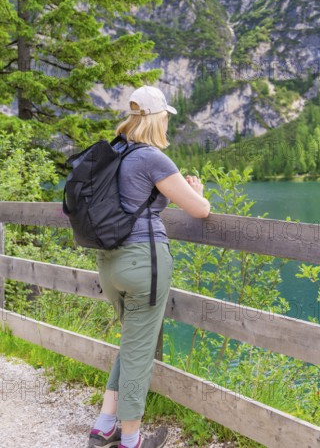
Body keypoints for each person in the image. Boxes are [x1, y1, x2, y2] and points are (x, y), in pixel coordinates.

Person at [88, 85, 210, 448]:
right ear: (158, 119)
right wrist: (199, 193)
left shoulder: (114, 152)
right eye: (166, 119)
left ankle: (105, 425)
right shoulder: (152, 158)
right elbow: (199, 210)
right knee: (140, 351)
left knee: (133, 342)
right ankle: (131, 439)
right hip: (145, 264)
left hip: (109, 264)